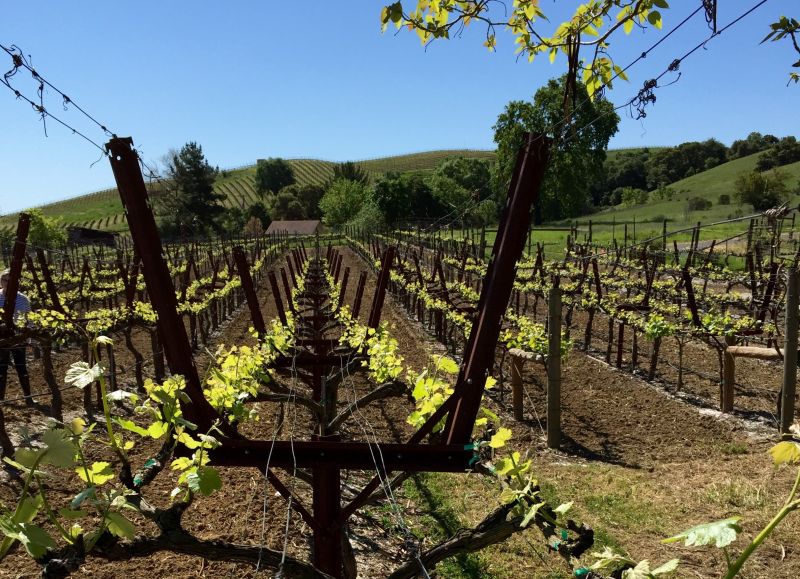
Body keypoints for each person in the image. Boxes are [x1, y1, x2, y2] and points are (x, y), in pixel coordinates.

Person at [0, 268, 34, 405]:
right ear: (1, 281)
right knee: (1, 368)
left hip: (19, 338)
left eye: (11, 280)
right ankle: (1, 398)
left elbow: (29, 319)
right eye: (5, 280)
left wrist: (29, 338)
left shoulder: (23, 299)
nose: (8, 283)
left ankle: (28, 397)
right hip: (1, 340)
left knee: (21, 366)